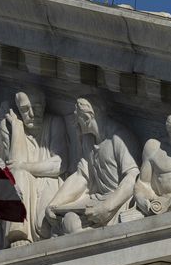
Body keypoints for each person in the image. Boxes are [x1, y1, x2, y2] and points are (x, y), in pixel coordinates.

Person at [49, 97, 141, 234]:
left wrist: (107, 207)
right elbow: (81, 176)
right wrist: (54, 203)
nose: (75, 124)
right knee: (69, 221)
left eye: (77, 118)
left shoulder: (119, 137)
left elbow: (132, 178)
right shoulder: (88, 140)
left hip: (117, 203)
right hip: (96, 202)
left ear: (87, 117)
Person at [0, 88, 68, 246]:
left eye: (36, 108)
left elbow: (59, 165)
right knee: (17, 175)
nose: (32, 114)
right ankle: (18, 233)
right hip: (26, 185)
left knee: (45, 225)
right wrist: (16, 127)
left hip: (49, 181)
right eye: (25, 110)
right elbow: (14, 167)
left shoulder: (55, 122)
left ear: (44, 105)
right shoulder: (17, 127)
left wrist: (25, 167)